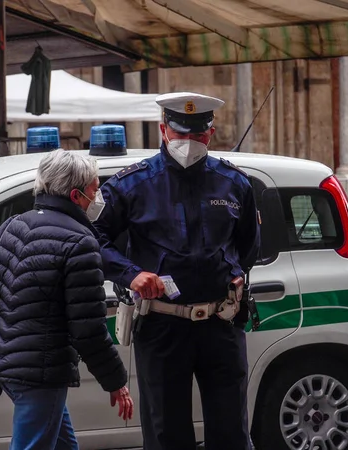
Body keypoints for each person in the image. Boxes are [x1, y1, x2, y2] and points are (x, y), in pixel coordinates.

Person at [93, 92, 260, 450]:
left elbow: (249, 244)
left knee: (231, 433)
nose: (189, 143)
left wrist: (233, 271)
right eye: (181, 134)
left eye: (197, 135)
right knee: (168, 433)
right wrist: (129, 274)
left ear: (210, 133)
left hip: (221, 322)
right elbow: (93, 237)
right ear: (163, 130)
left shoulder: (234, 183)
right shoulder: (130, 185)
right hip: (161, 325)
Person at [0, 149, 134, 450]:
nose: (99, 197)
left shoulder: (13, 225)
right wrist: (116, 381)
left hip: (5, 362)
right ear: (75, 194)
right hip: (41, 371)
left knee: (64, 445)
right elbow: (88, 331)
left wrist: (13, 324)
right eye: (95, 189)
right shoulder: (81, 243)